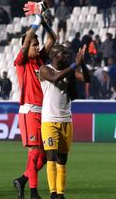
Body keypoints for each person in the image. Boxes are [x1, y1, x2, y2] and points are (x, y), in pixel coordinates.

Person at [13, 1, 56, 199]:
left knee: (47, 154)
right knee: (34, 152)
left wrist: (44, 20)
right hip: (29, 110)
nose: (37, 47)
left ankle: (22, 179)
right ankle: (33, 192)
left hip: (43, 110)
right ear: (25, 47)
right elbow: (28, 37)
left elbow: (53, 38)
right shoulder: (21, 61)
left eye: (38, 44)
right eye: (34, 45)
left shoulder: (39, 60)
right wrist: (36, 19)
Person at [39, 44, 90, 199]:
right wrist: (74, 64)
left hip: (66, 120)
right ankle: (53, 193)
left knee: (62, 159)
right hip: (49, 120)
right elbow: (55, 78)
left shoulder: (70, 70)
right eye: (64, 53)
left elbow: (87, 79)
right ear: (55, 55)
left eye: (68, 54)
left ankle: (60, 194)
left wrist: (82, 63)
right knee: (51, 157)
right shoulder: (45, 69)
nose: (67, 56)